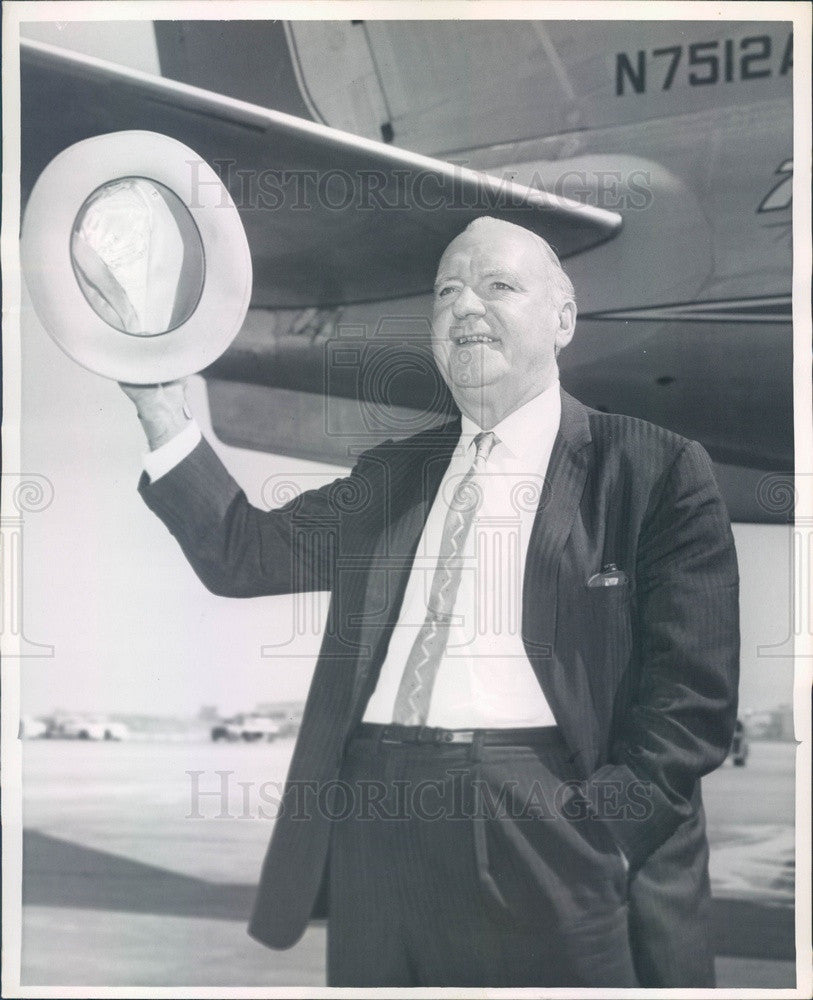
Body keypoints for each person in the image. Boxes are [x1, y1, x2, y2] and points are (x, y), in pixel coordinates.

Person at [122, 216, 739, 987]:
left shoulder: (652, 470)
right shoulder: (392, 476)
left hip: (548, 823)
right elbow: (241, 552)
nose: (463, 307)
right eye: (446, 292)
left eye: (498, 286)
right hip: (378, 820)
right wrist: (158, 407)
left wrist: (603, 836)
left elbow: (693, 700)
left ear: (563, 319)